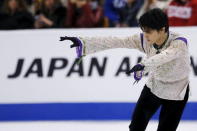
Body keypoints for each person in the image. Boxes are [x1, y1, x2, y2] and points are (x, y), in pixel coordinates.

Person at [59, 8, 190, 131]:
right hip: (155, 86)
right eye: (143, 30)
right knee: (136, 127)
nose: (145, 35)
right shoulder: (144, 40)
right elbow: (116, 41)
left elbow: (165, 56)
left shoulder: (179, 43)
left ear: (162, 30)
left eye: (148, 31)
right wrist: (85, 42)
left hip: (177, 91)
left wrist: (144, 65)